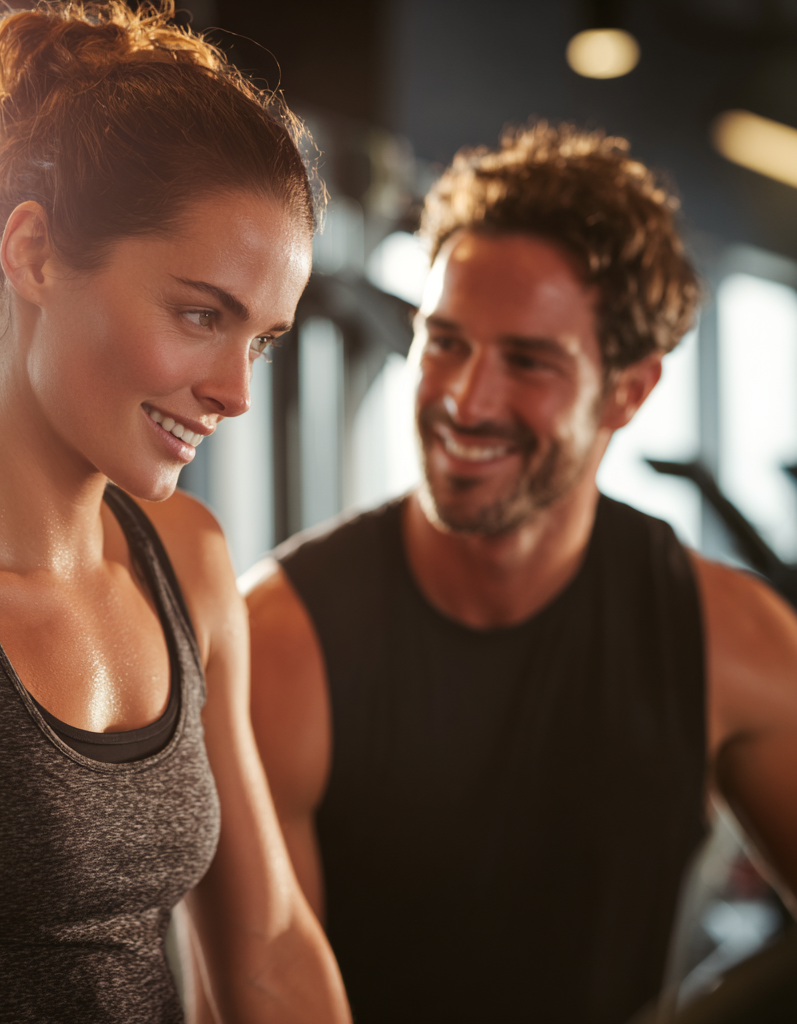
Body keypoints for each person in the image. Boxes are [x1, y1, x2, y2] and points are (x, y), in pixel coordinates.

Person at [0, 4, 351, 1022]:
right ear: (33, 254)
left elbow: (263, 947)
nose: (234, 391)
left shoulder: (188, 558)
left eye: (257, 338)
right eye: (199, 313)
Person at [244, 124, 797, 1023]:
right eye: (446, 342)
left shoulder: (727, 636)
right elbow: (259, 985)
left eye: (528, 361)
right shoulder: (280, 641)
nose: (466, 398)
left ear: (630, 390)